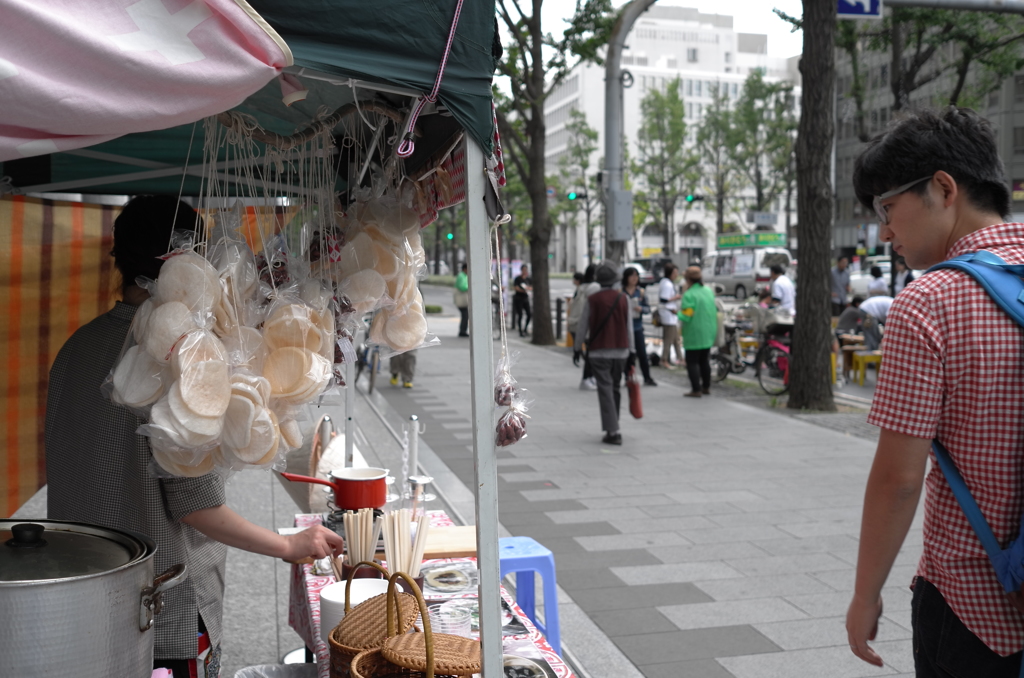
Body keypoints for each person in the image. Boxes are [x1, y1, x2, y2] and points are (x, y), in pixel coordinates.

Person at [45, 195, 344, 675]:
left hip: (79, 593)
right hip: (159, 609)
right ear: (190, 263)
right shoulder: (181, 361)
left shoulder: (75, 348)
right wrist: (289, 546)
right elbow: (196, 505)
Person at [844, 107, 1024, 676]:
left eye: (888, 207)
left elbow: (900, 480)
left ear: (943, 189)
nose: (886, 231)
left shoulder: (931, 302)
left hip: (975, 606)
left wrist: (864, 595)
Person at [573, 263, 634, 445]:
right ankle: (613, 424)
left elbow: (583, 325)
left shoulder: (593, 299)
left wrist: (577, 348)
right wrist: (632, 352)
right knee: (614, 388)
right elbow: (628, 327)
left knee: (605, 390)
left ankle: (613, 431)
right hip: (621, 351)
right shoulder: (624, 298)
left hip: (599, 351)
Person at [679, 266, 717, 398]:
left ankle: (696, 389)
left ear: (687, 280)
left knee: (692, 361)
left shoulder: (689, 295)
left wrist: (676, 313)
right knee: (704, 360)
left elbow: (687, 315)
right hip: (709, 329)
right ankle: (706, 387)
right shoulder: (707, 291)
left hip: (694, 331)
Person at [622, 266, 656, 386]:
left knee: (642, 353)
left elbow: (648, 308)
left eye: (636, 276)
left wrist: (641, 309)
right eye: (631, 276)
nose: (634, 278)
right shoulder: (621, 292)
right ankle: (628, 376)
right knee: (626, 353)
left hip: (637, 326)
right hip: (624, 327)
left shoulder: (640, 292)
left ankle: (647, 377)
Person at [569, 265, 601, 390]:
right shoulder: (592, 289)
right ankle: (587, 378)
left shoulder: (582, 288)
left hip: (582, 323)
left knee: (589, 353)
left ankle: (590, 377)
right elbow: (583, 311)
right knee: (590, 354)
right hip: (586, 324)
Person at [658, 263, 683, 368]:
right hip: (669, 315)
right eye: (675, 273)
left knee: (676, 339)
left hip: (670, 315)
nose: (676, 275)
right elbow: (663, 299)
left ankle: (680, 358)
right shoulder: (667, 284)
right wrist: (676, 297)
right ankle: (664, 360)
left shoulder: (665, 282)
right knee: (669, 339)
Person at [512, 264, 532, 337]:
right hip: (518, 298)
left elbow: (531, 287)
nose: (525, 271)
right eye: (523, 269)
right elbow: (516, 287)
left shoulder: (528, 279)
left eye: (526, 270)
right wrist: (523, 290)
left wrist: (527, 289)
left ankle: (525, 329)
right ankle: (520, 331)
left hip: (525, 298)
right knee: (520, 315)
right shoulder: (518, 279)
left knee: (529, 314)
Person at [454, 262, 469, 337]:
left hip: (461, 299)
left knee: (465, 315)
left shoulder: (463, 275)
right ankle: (462, 331)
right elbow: (463, 287)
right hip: (461, 299)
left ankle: (463, 330)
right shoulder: (462, 276)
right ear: (465, 269)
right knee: (465, 315)